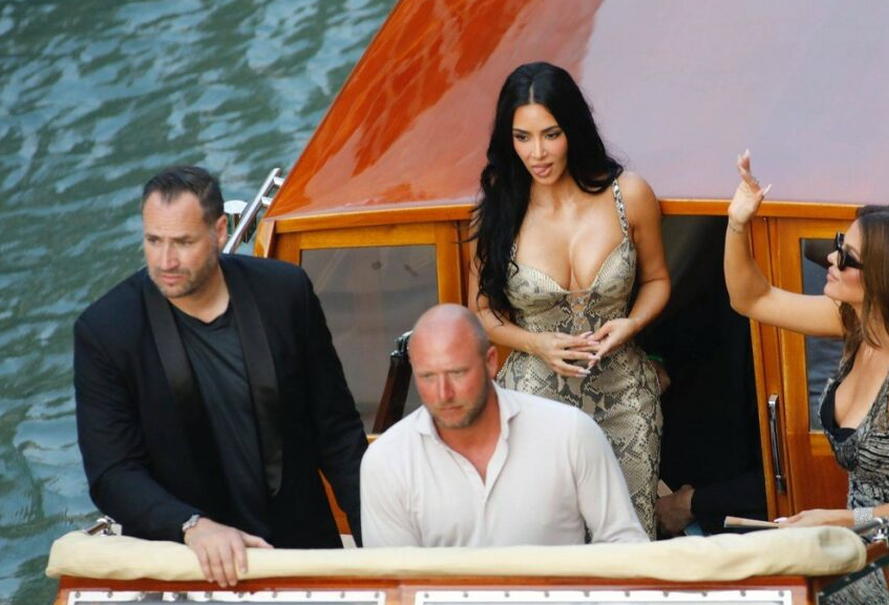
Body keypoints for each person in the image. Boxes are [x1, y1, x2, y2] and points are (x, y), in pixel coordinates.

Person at [73, 166, 368, 587]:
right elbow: (113, 473)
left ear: (219, 230)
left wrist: (379, 550)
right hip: (189, 567)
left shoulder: (285, 292)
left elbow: (337, 434)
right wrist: (191, 525)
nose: (165, 261)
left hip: (301, 551)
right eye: (153, 241)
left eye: (183, 242)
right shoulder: (105, 331)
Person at [724, 151, 889, 602]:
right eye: (839, 244)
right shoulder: (857, 326)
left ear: (884, 279)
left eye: (847, 258)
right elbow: (751, 298)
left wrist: (840, 520)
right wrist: (738, 223)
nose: (831, 258)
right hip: (862, 545)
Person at [468, 61, 670, 538]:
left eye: (550, 135)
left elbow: (658, 280)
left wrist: (632, 324)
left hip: (625, 400)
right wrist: (535, 343)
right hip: (533, 407)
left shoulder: (629, 195)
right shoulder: (498, 208)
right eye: (522, 137)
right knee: (547, 545)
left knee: (628, 542)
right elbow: (481, 312)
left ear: (573, 130)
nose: (536, 153)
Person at [360, 304, 647, 547]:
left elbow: (624, 546)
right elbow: (394, 583)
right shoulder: (387, 461)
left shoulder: (570, 433)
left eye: (457, 373)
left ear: (490, 362)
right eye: (428, 377)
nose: (443, 393)